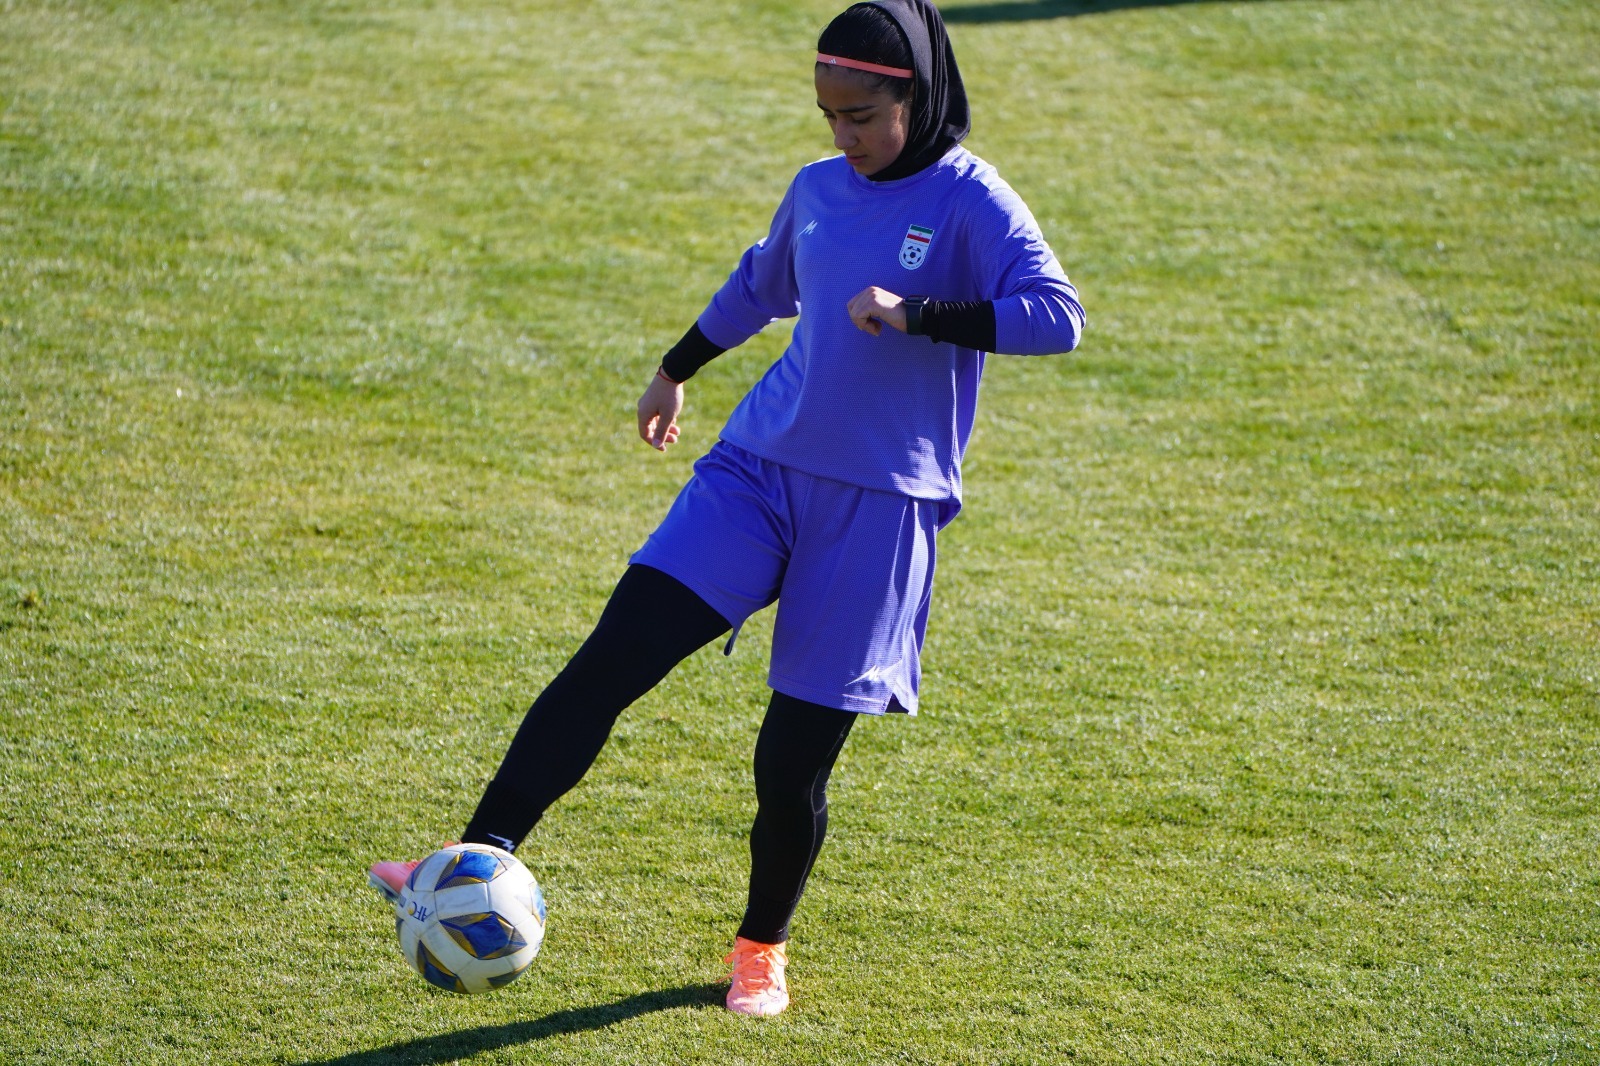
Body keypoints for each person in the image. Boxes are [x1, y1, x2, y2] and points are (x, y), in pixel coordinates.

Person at [369, 0, 1084, 1017]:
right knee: (610, 660)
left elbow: (1058, 316)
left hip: (879, 511)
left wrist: (919, 313)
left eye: (861, 118)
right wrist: (676, 368)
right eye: (828, 116)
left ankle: (760, 948)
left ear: (916, 101)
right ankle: (468, 858)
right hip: (758, 470)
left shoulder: (974, 202)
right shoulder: (819, 188)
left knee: (787, 765)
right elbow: (761, 285)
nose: (842, 137)